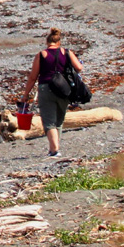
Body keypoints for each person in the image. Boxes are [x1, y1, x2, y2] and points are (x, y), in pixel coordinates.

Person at [19, 27, 83, 158]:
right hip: (64, 89)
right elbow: (79, 68)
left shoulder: (42, 55)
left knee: (49, 121)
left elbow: (33, 77)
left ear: (47, 43)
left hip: (46, 88)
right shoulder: (67, 52)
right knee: (59, 120)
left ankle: (54, 150)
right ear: (59, 42)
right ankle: (54, 148)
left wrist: (26, 94)